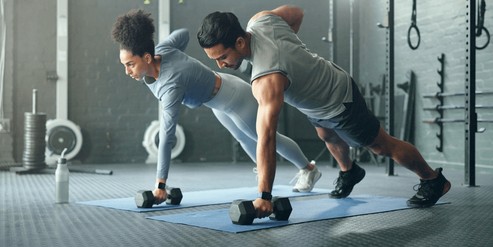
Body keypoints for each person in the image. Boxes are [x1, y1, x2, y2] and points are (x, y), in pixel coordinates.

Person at [197, 5, 451, 218]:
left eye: (222, 57)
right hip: (316, 101)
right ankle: (350, 171)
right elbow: (296, 13)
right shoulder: (262, 20)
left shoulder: (267, 79)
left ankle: (433, 180)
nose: (221, 65)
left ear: (240, 42)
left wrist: (264, 196)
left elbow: (266, 138)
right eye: (215, 60)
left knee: (381, 146)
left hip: (338, 99)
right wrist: (292, 48)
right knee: (327, 136)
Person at [111, 9, 321, 204]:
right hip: (217, 102)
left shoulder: (170, 86)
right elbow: (182, 34)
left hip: (234, 99)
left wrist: (160, 185)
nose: (127, 71)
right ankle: (264, 171)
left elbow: (166, 138)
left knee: (265, 138)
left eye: (130, 64)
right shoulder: (164, 50)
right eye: (124, 65)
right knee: (242, 138)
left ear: (147, 57)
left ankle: (309, 169)